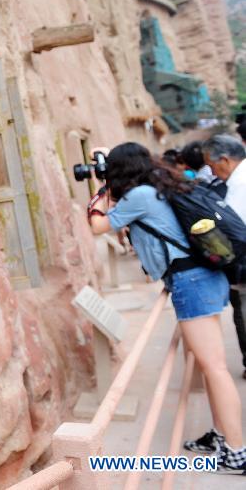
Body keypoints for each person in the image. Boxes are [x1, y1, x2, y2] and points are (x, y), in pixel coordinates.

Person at [86, 142, 246, 472]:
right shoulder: (155, 184)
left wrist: (97, 187)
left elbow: (98, 225)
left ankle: (237, 451)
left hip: (191, 282)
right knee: (208, 365)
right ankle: (220, 437)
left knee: (214, 367)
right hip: (201, 277)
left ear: (118, 172)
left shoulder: (139, 196)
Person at [201, 135, 246, 380]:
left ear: (225, 160)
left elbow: (235, 228)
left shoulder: (240, 184)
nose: (212, 172)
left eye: (212, 165)